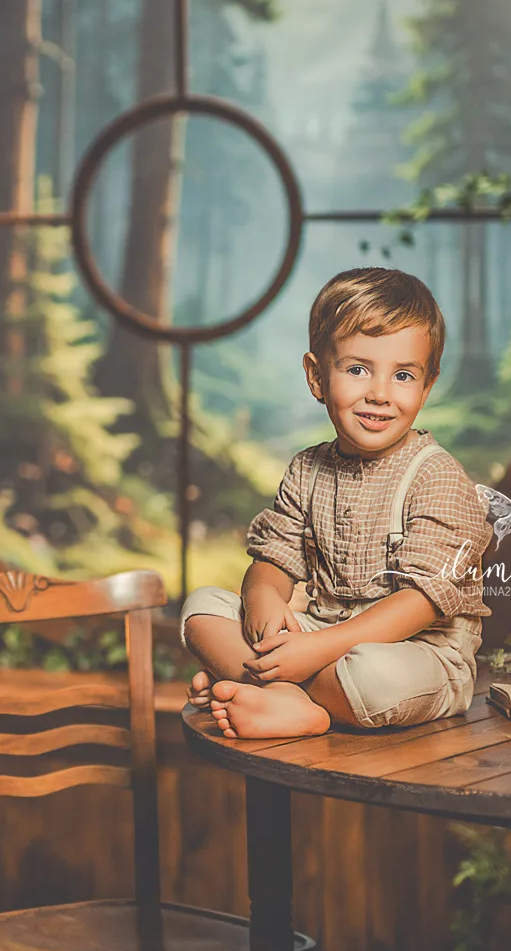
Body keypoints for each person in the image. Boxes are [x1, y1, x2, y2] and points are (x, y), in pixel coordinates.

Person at [184, 267, 489, 739]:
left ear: (427, 386)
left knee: (373, 676)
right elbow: (273, 559)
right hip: (321, 637)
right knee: (203, 609)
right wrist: (262, 598)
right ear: (316, 376)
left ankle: (260, 684)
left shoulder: (438, 477)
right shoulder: (307, 469)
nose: (379, 394)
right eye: (357, 369)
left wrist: (316, 649)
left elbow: (421, 602)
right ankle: (285, 700)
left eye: (403, 375)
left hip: (418, 656)